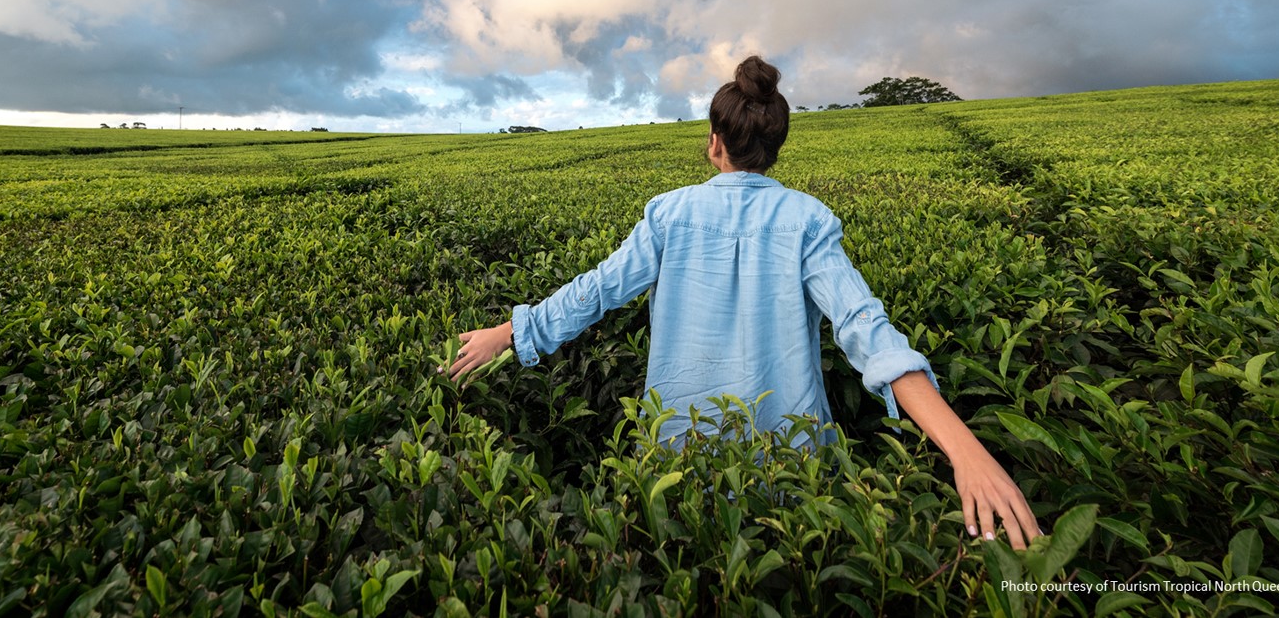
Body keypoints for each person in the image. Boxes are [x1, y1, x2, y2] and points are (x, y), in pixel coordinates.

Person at [445, 55, 1042, 549]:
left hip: (679, 460)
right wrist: (965, 450)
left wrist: (512, 331)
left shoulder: (669, 213)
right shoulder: (807, 221)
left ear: (714, 143)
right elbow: (869, 332)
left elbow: (597, 290)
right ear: (773, 148)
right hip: (791, 471)